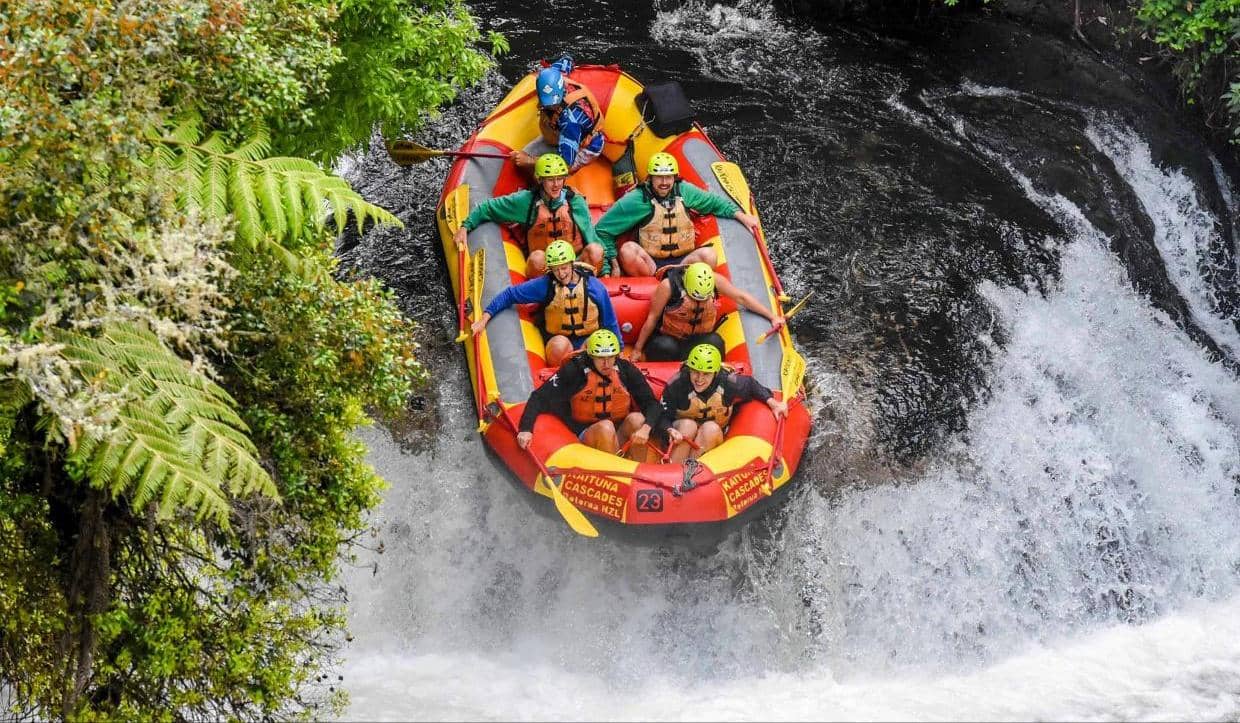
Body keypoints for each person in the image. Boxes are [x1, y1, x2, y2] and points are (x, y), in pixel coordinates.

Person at [596, 152, 761, 277]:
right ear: (650, 178)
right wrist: (611, 263)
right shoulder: (637, 199)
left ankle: (687, 281)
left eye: (668, 177)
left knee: (709, 255)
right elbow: (603, 230)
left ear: (674, 177)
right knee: (627, 250)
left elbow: (715, 203)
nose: (664, 183)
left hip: (683, 260)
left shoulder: (684, 190)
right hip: (650, 264)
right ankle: (653, 283)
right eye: (659, 178)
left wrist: (742, 216)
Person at [453, 153, 614, 276]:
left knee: (595, 250)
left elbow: (591, 237)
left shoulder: (575, 201)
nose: (556, 184)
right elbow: (487, 208)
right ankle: (542, 301)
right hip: (547, 269)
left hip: (575, 265)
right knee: (537, 258)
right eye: (550, 179)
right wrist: (465, 227)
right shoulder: (525, 202)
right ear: (540, 179)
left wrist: (605, 271)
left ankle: (584, 290)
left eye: (560, 179)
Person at [472, 240, 622, 367]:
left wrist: (619, 351)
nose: (561, 274)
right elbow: (509, 295)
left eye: (564, 268)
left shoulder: (595, 287)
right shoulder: (545, 285)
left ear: (572, 264)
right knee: (559, 345)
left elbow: (610, 322)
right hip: (559, 342)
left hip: (589, 341)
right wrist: (484, 318)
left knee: (597, 344)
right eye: (556, 270)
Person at [517, 329, 663, 457]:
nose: (606, 364)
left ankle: (638, 472)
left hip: (619, 432)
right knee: (606, 427)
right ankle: (613, 476)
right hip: (586, 433)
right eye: (601, 358)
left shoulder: (626, 369)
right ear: (591, 356)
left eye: (610, 358)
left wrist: (646, 428)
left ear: (616, 355)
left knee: (637, 419)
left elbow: (651, 403)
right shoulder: (574, 370)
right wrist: (525, 428)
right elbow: (539, 397)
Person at [630, 261, 784, 362]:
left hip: (697, 339)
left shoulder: (714, 280)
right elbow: (652, 317)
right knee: (664, 346)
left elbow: (741, 297)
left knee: (715, 341)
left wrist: (772, 317)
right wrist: (637, 349)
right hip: (670, 338)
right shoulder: (668, 286)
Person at [659, 344, 788, 463]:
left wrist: (773, 403)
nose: (699, 379)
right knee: (688, 425)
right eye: (695, 372)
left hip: (710, 436)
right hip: (681, 433)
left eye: (706, 374)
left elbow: (750, 385)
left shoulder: (728, 382)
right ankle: (673, 469)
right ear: (689, 369)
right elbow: (661, 416)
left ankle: (691, 471)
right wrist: (669, 429)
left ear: (715, 373)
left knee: (711, 429)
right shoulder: (677, 384)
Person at [511, 54, 606, 175]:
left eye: (551, 105)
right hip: (557, 134)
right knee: (522, 156)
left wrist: (530, 161)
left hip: (585, 148)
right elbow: (567, 60)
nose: (548, 107)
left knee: (549, 173)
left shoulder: (571, 122)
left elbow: (565, 163)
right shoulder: (555, 76)